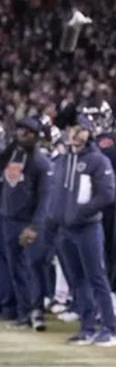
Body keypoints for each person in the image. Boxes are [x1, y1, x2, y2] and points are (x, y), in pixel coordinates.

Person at [43, 115, 116, 347]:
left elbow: (107, 194)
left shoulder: (98, 160)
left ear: (89, 133)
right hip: (65, 229)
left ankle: (110, 329)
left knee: (96, 278)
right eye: (73, 130)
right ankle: (87, 328)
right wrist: (55, 218)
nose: (76, 135)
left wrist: (80, 212)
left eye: (81, 130)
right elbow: (56, 194)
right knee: (77, 280)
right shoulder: (62, 160)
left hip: (88, 228)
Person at [1, 116, 51, 330]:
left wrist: (35, 226)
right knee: (16, 270)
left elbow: (45, 198)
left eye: (27, 131)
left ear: (36, 136)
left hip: (27, 221)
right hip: (8, 219)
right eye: (20, 130)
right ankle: (23, 313)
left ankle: (35, 311)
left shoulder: (41, 162)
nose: (22, 134)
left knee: (32, 268)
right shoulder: (12, 154)